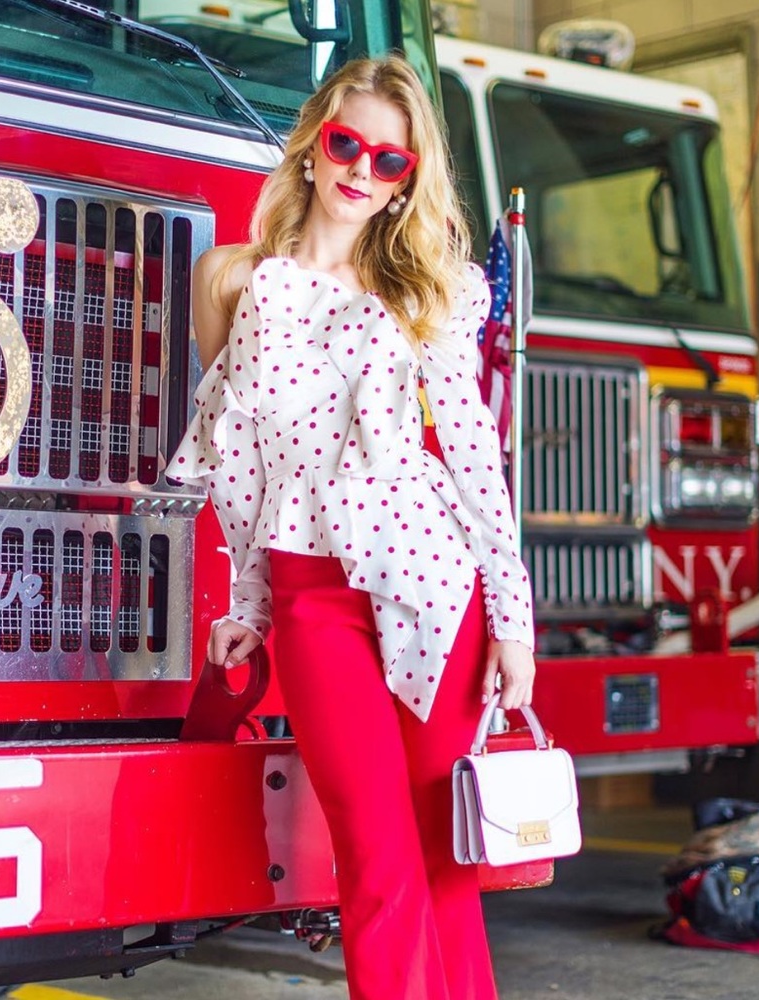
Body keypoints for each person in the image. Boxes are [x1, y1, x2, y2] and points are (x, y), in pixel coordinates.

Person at [169, 54, 536, 1000]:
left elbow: (474, 463)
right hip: (313, 598)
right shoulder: (233, 282)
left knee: (448, 866)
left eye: (388, 162)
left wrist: (513, 621)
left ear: (407, 180)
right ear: (312, 144)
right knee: (374, 861)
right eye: (347, 146)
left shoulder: (427, 294)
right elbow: (239, 468)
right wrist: (247, 600)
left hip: (435, 590)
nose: (361, 172)